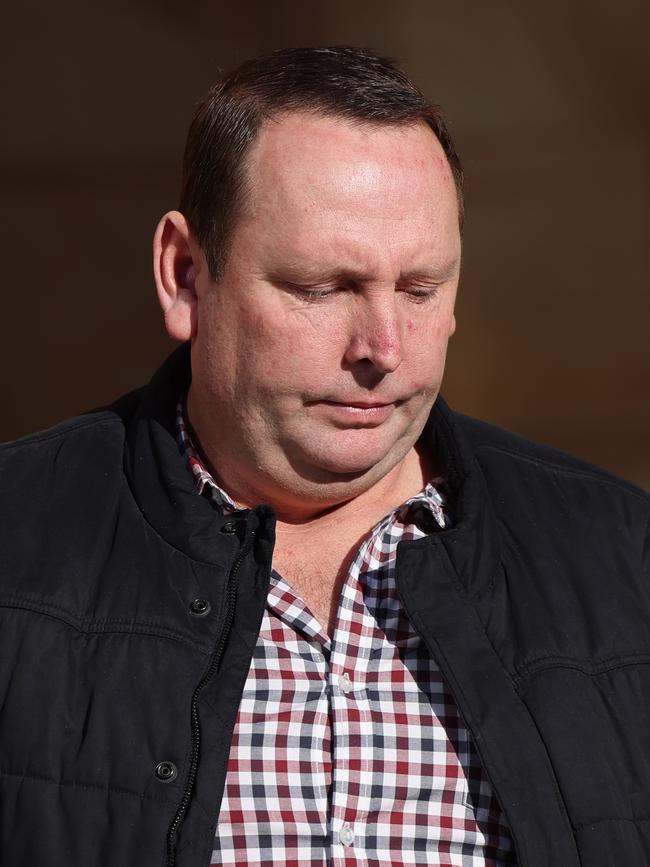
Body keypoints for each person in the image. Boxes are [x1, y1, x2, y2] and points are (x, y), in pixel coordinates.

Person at [0, 45, 647, 867]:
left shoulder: (623, 560)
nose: (383, 347)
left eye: (422, 288)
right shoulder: (17, 547)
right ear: (185, 275)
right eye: (321, 287)